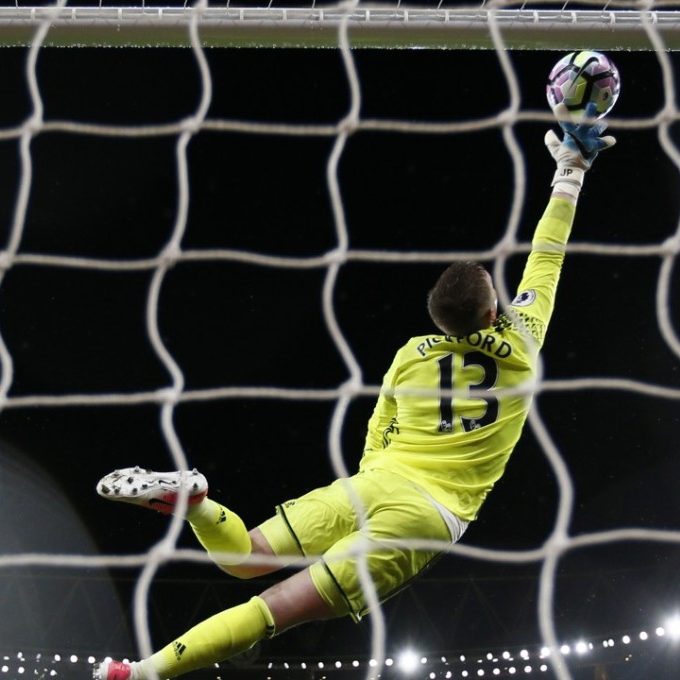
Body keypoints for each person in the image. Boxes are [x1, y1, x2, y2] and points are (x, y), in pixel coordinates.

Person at [92, 103, 615, 680]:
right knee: (271, 611)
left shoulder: (413, 354)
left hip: (375, 481)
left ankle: (196, 504)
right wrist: (571, 172)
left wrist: (369, 483)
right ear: (493, 312)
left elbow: (379, 426)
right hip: (430, 513)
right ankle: (136, 676)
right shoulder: (523, 342)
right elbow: (547, 254)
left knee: (244, 559)